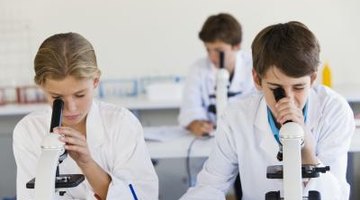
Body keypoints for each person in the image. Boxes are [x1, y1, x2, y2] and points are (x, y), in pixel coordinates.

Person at [180, 21, 355, 200]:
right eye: (276, 89)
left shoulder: (333, 110)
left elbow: (336, 195)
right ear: (256, 79)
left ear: (312, 78)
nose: (288, 100)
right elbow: (210, 186)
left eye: (299, 87)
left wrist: (307, 149)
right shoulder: (237, 116)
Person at [13, 33, 158, 199]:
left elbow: (142, 196)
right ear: (41, 86)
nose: (71, 108)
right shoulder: (29, 130)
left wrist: (87, 164)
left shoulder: (122, 123)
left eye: (80, 95)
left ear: (95, 81)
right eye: (57, 99)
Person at [178, 13, 255, 137]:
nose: (212, 57)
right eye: (208, 50)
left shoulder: (253, 67)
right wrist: (196, 124)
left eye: (219, 51)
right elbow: (189, 110)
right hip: (211, 139)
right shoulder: (198, 69)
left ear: (236, 46)